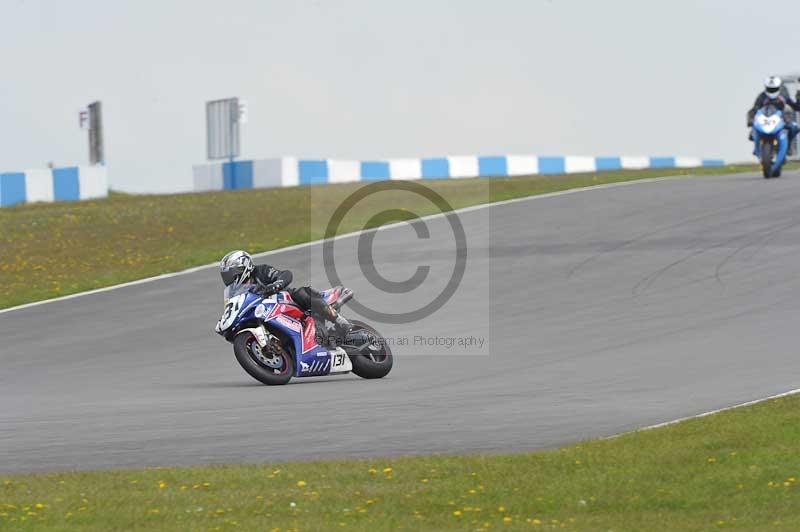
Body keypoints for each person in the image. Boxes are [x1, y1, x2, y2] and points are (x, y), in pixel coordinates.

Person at [219, 250, 352, 334]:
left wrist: (275, 285)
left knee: (300, 292)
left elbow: (286, 274)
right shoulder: (238, 291)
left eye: (231, 273)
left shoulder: (261, 271)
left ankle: (340, 321)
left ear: (243, 266)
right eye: (226, 275)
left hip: (289, 300)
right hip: (267, 313)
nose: (229, 278)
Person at [748, 76, 800, 155]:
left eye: (774, 89)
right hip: (766, 120)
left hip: (781, 119)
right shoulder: (762, 96)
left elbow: (796, 107)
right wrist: (750, 120)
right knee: (752, 133)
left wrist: (798, 97)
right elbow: (754, 109)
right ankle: (757, 147)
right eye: (770, 89)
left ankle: (788, 145)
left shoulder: (783, 96)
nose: (772, 91)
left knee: (794, 127)